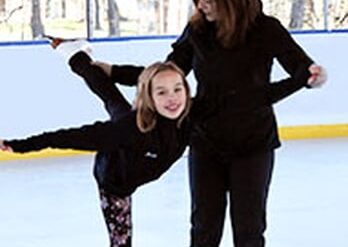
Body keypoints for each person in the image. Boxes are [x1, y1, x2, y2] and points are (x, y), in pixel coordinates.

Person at [91, 0, 327, 247]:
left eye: (208, 0)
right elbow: (165, 74)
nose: (201, 5)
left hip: (253, 145)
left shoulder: (266, 29)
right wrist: (114, 72)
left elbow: (301, 67)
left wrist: (311, 74)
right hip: (206, 142)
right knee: (204, 228)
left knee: (249, 230)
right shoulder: (198, 31)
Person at [0, 49, 192, 247]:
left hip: (134, 140)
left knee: (112, 99)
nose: (173, 98)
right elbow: (67, 137)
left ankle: (75, 54)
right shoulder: (129, 130)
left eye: (178, 89)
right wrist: (18, 146)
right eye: (161, 92)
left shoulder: (191, 115)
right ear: (148, 96)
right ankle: (76, 57)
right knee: (120, 241)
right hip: (114, 178)